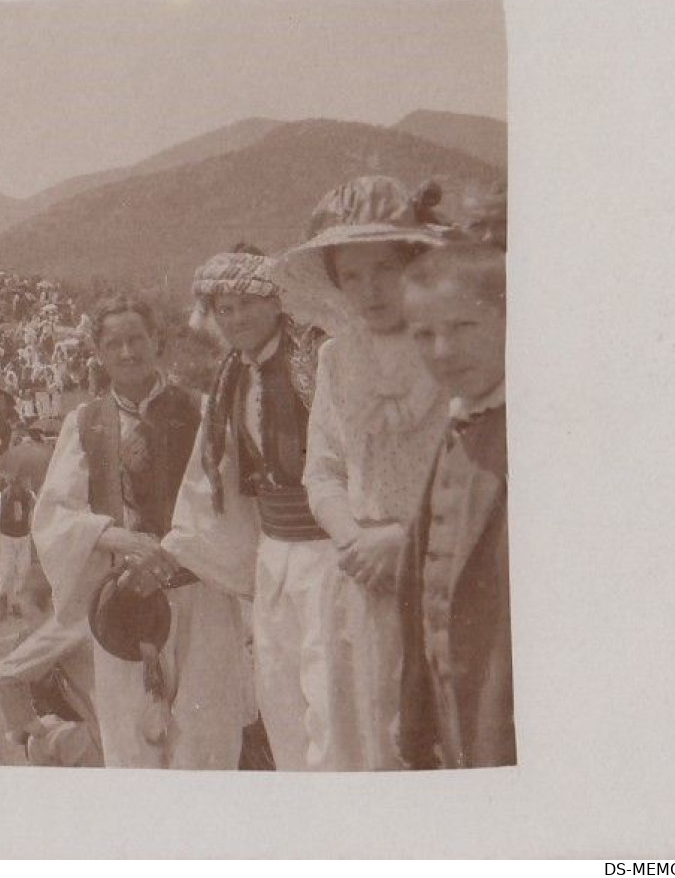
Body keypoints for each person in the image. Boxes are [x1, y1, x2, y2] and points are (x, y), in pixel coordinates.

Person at [273, 175, 449, 771]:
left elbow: (485, 469)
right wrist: (354, 540)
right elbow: (321, 469)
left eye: (383, 269)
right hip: (365, 578)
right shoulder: (335, 358)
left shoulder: (455, 347)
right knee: (379, 735)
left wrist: (403, 541)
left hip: (449, 561)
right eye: (352, 275)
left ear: (414, 262)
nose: (369, 289)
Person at [30, 295, 219, 768]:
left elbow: (223, 502)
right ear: (98, 352)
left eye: (137, 339)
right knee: (131, 742)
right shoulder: (85, 422)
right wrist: (111, 536)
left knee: (205, 739)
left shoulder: (202, 411)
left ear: (158, 340)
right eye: (114, 343)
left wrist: (173, 551)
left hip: (197, 593)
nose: (128, 353)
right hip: (124, 606)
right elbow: (54, 511)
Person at [165, 246, 323, 771]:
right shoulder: (232, 374)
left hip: (328, 550)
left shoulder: (314, 356)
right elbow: (213, 472)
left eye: (245, 304)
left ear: (274, 300)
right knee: (280, 695)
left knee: (328, 696)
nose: (234, 319)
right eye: (224, 309)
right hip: (273, 551)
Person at [396, 243, 513, 769]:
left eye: (463, 326)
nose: (442, 350)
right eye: (424, 334)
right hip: (454, 706)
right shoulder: (459, 426)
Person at [0, 581, 103, 767]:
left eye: (30, 617)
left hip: (106, 736)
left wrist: (30, 724)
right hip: (129, 723)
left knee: (38, 744)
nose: (29, 628)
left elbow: (3, 676)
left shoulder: (63, 626)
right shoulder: (90, 609)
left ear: (51, 603)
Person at [0, 474, 37, 617]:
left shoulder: (30, 497)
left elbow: (35, 517)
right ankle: (3, 598)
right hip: (7, 537)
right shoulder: (1, 498)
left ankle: (14, 599)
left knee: (23, 569)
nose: (15, 487)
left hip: (23, 537)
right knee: (6, 570)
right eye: (12, 483)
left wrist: (34, 509)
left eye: (18, 483)